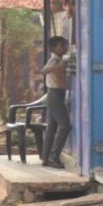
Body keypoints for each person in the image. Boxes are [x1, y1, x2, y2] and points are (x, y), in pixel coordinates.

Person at [41, 36, 72, 169]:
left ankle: (46, 157)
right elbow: (43, 71)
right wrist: (60, 66)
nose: (65, 47)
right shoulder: (55, 59)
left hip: (55, 94)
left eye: (65, 44)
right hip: (54, 95)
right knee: (65, 126)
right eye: (62, 45)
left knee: (51, 128)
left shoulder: (58, 59)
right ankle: (54, 157)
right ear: (54, 48)